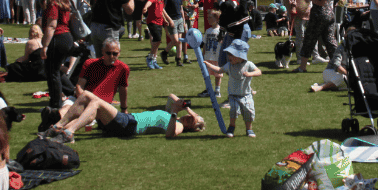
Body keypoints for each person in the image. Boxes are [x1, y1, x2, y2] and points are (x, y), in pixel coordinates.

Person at [53, 90, 205, 140]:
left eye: (192, 120)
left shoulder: (177, 125)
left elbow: (170, 135)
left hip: (129, 125)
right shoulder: (172, 116)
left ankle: (68, 132)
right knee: (86, 96)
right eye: (191, 116)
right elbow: (171, 96)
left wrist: (175, 113)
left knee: (96, 103)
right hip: (127, 121)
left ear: (191, 127)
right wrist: (186, 108)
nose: (189, 118)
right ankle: (58, 127)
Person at [201, 38, 260, 137]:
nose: (229, 57)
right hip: (233, 95)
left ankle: (249, 129)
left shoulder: (248, 64)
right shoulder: (229, 65)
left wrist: (250, 73)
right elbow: (219, 70)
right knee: (233, 111)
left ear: (240, 56)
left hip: (246, 95)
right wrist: (209, 65)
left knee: (248, 112)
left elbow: (259, 72)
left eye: (232, 55)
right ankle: (231, 127)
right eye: (228, 54)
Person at [296, 0, 338, 73]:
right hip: (329, 15)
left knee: (309, 39)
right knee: (330, 40)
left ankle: (302, 67)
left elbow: (322, 2)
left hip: (319, 15)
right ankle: (339, 65)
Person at [142, 0, 169, 70]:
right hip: (152, 22)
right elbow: (149, 2)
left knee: (158, 41)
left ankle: (153, 60)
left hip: (159, 22)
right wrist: (145, 7)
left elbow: (161, 11)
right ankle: (150, 58)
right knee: (157, 40)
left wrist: (165, 20)